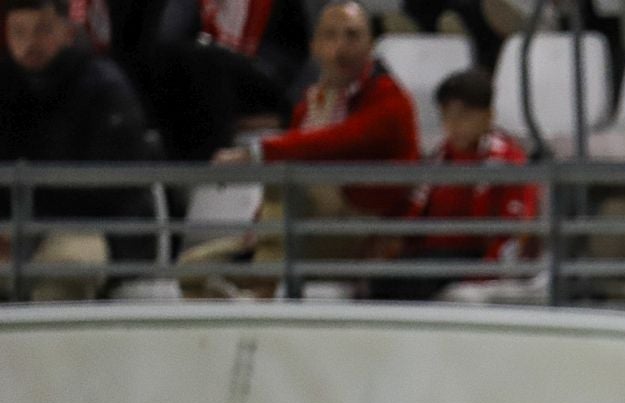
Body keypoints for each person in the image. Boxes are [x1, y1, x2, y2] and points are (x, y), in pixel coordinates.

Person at [185, 2, 418, 288]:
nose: (340, 47)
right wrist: (257, 226)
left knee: (297, 183)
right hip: (305, 231)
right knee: (192, 268)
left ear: (370, 45)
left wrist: (257, 152)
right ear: (315, 47)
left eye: (352, 36)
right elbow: (289, 164)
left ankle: (261, 287)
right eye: (330, 36)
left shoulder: (389, 98)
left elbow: (334, 141)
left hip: (366, 233)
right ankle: (254, 285)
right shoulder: (309, 103)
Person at [0, 0, 153, 303]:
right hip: (13, 225)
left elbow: (114, 188)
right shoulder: (5, 85)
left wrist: (30, 221)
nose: (29, 43)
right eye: (18, 32)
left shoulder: (103, 88)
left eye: (43, 31)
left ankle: (47, 350)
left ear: (68, 32)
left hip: (92, 228)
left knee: (68, 269)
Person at [372, 68, 537, 302]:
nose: (454, 124)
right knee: (381, 280)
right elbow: (414, 212)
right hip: (431, 255)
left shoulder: (505, 162)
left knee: (412, 281)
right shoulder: (440, 157)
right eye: (447, 116)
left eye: (464, 115)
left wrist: (484, 276)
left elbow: (514, 230)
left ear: (488, 116)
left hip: (472, 257)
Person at [141, 0, 312, 161]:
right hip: (201, 88)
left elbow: (296, 56)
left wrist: (287, 116)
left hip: (261, 89)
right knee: (197, 61)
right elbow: (168, 41)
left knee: (211, 60)